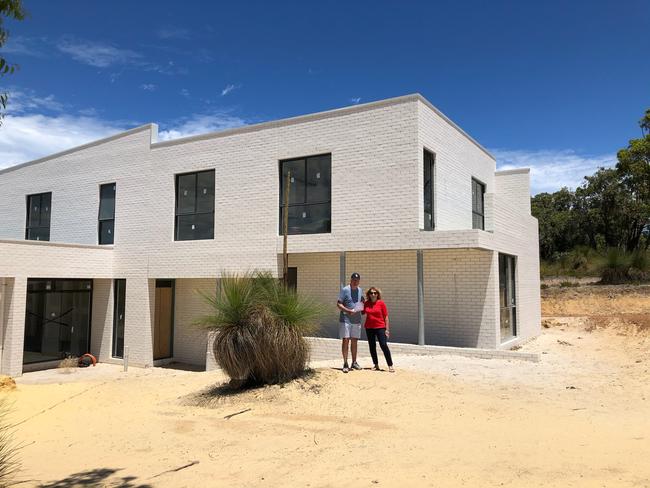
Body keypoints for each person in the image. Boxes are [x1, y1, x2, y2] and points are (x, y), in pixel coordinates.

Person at [337, 272, 364, 373]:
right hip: (345, 319)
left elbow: (361, 301)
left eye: (357, 280)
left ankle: (354, 362)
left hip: (357, 320)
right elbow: (339, 304)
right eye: (354, 280)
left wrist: (362, 305)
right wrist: (348, 311)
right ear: (351, 280)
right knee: (346, 340)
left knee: (354, 341)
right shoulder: (345, 290)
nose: (355, 281)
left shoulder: (360, 290)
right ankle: (345, 363)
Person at [363, 287, 394, 372]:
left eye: (375, 293)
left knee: (383, 345)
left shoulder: (381, 303)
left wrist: (387, 329)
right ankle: (376, 364)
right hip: (369, 328)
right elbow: (362, 312)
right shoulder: (366, 303)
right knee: (372, 346)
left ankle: (390, 365)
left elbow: (386, 317)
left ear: (377, 294)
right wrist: (361, 302)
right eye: (371, 293)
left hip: (380, 327)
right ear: (369, 294)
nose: (373, 294)